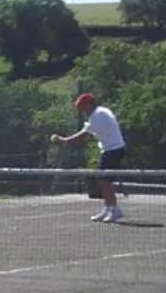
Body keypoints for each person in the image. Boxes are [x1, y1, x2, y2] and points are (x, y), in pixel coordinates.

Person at [53, 91, 126, 223]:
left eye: (83, 107)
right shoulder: (99, 113)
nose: (82, 110)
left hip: (113, 149)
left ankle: (114, 209)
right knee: (103, 179)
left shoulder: (98, 115)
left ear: (89, 105)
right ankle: (109, 207)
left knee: (104, 180)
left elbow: (83, 135)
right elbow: (86, 132)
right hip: (111, 149)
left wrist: (65, 140)